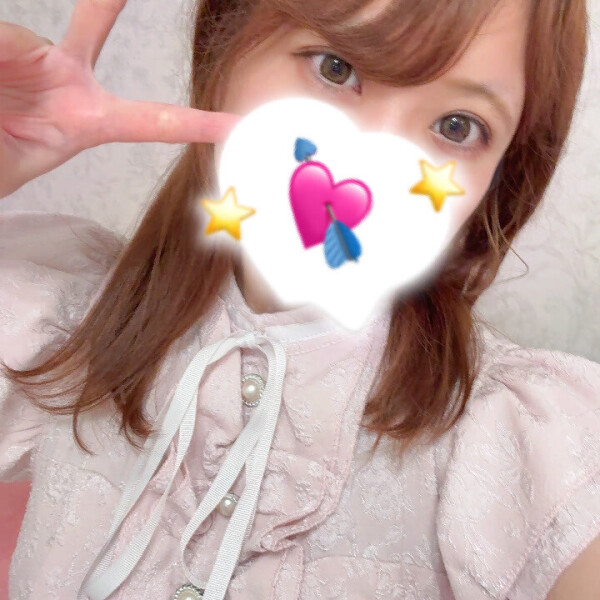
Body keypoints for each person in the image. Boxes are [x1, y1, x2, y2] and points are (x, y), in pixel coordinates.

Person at [1, 0, 600, 598]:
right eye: (336, 68)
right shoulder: (64, 322)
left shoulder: (523, 443)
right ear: (221, 55)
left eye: (457, 127)